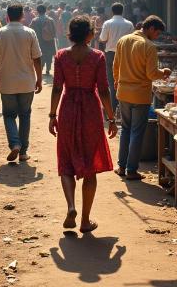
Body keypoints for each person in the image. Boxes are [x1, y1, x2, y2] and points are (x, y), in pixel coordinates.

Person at [48, 16, 118, 233]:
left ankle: (71, 207)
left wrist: (52, 115)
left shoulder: (61, 56)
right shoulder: (97, 57)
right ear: (89, 34)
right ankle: (85, 220)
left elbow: (57, 88)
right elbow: (104, 90)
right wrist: (111, 117)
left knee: (66, 161)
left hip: (68, 109)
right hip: (90, 110)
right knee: (90, 167)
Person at [113, 16, 171, 180]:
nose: (157, 36)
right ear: (151, 29)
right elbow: (151, 74)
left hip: (123, 92)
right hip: (140, 95)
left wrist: (118, 82)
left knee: (125, 129)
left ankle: (121, 166)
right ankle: (132, 170)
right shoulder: (149, 46)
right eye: (157, 33)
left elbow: (115, 66)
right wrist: (164, 72)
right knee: (137, 132)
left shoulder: (123, 40)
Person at [0, 3, 43, 162]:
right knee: (25, 115)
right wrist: (39, 79)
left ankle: (14, 144)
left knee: (9, 115)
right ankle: (23, 152)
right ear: (22, 16)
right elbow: (37, 58)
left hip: (7, 82)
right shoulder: (29, 32)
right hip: (27, 82)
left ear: (7, 16)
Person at [99, 3, 134, 116]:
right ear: (122, 11)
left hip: (110, 55)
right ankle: (123, 109)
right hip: (125, 54)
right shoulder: (129, 24)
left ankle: (112, 109)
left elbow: (102, 39)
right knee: (124, 81)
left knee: (111, 81)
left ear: (112, 12)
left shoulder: (107, 23)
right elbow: (132, 40)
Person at [31, 4, 57, 75]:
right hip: (49, 41)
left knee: (40, 55)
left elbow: (31, 31)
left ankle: (40, 69)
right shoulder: (50, 20)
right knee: (49, 55)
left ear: (37, 11)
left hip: (39, 41)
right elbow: (54, 31)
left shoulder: (34, 20)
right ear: (45, 11)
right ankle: (48, 70)